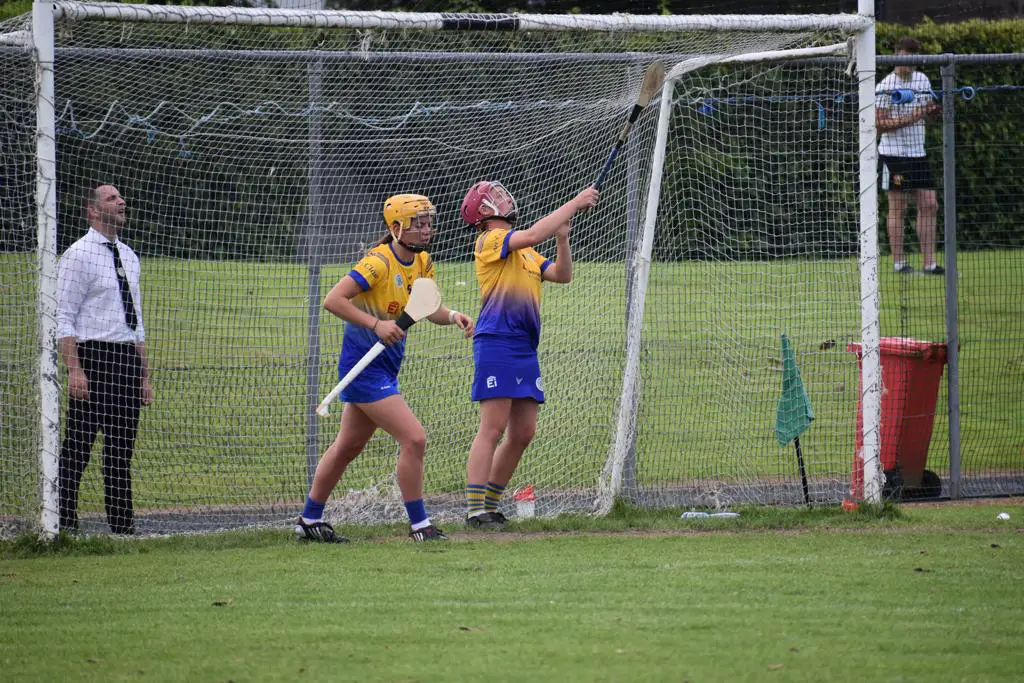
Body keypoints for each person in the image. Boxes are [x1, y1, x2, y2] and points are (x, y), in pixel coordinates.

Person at [296, 194, 474, 543]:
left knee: (347, 447)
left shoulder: (422, 262)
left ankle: (309, 519)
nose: (427, 229)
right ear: (396, 228)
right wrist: (375, 324)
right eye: (418, 223)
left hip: (387, 367)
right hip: (364, 369)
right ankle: (420, 526)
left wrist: (453, 315)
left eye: (428, 221)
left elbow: (426, 306)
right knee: (414, 438)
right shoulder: (377, 262)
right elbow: (333, 300)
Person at [459, 181, 599, 528]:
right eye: (497, 197)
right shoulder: (490, 240)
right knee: (492, 428)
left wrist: (563, 238)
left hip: (524, 347)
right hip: (496, 342)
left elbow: (562, 275)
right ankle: (475, 510)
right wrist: (575, 202)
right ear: (485, 211)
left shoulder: (526, 252)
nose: (506, 198)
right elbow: (535, 233)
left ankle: (491, 505)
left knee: (523, 432)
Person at [57, 184, 153, 535]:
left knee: (121, 450)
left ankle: (122, 529)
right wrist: (74, 369)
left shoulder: (129, 256)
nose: (121, 201)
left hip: (126, 358)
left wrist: (144, 375)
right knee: (78, 447)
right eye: (112, 198)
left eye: (120, 197)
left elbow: (136, 322)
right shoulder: (78, 255)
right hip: (93, 357)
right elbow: (63, 317)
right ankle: (63, 525)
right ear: (93, 211)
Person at [876, 36, 943, 275]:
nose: (909, 64)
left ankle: (929, 264)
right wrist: (911, 118)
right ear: (896, 56)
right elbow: (878, 124)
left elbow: (931, 115)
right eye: (905, 58)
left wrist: (933, 111)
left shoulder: (922, 80)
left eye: (913, 60)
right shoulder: (885, 86)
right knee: (899, 207)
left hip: (918, 153)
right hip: (893, 156)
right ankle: (899, 263)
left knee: (930, 204)